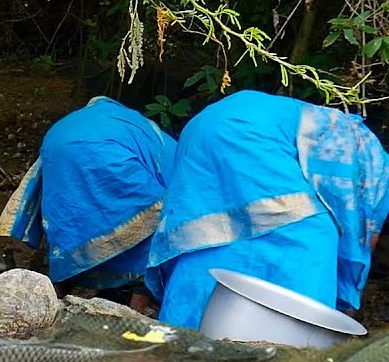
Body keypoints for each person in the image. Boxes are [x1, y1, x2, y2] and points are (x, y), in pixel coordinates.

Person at [145, 90, 389, 329]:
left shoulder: (336, 124)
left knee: (206, 234)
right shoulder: (378, 162)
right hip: (252, 133)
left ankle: (184, 331)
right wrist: (347, 301)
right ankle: (298, 338)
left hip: (204, 127)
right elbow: (362, 232)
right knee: (312, 232)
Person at [0, 96, 177, 310]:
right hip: (106, 153)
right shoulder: (159, 140)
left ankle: (51, 301)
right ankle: (136, 310)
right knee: (153, 222)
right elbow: (176, 205)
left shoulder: (89, 120)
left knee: (70, 227)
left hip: (57, 145)